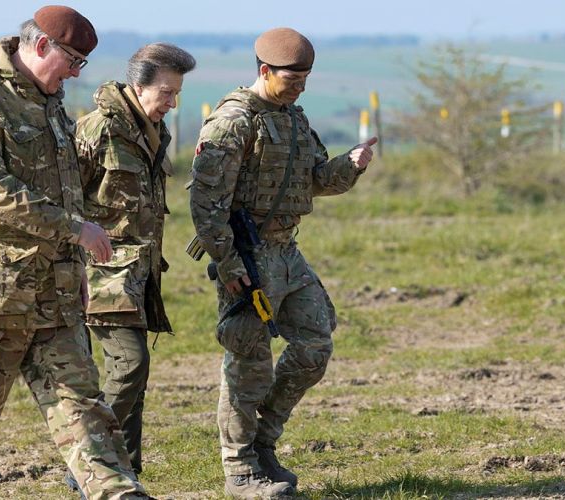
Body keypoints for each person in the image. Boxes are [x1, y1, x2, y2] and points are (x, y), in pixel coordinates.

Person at [0, 6, 149, 499]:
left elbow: (65, 189)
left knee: (82, 405)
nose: (76, 73)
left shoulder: (51, 103)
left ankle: (116, 492)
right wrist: (74, 229)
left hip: (55, 292)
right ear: (41, 46)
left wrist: (75, 262)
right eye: (72, 61)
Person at [188, 27, 378, 499]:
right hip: (248, 257)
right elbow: (206, 203)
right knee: (248, 361)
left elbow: (315, 180)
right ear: (263, 71)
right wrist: (229, 264)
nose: (300, 88)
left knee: (315, 345)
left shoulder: (293, 117)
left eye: (306, 79)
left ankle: (263, 443)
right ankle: (240, 470)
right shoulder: (232, 122)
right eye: (292, 79)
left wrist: (350, 165)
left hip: (287, 254)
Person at [75, 43, 196, 478]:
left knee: (135, 377)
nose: (172, 102)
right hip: (100, 273)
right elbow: (64, 200)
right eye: (166, 92)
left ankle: (123, 474)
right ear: (137, 85)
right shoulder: (98, 130)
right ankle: (88, 459)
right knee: (131, 365)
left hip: (140, 273)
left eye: (177, 93)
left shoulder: (152, 131)